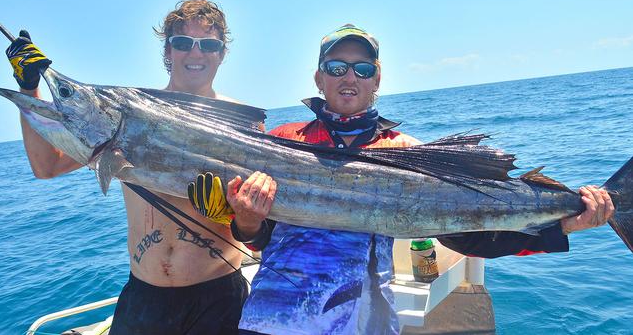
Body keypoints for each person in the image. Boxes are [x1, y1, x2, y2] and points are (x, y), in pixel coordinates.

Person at [203, 24, 614, 334]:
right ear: (319, 78)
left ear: (377, 80)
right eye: (337, 67)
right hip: (272, 319)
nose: (350, 77)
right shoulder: (281, 141)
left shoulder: (404, 149)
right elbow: (257, 236)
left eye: (362, 69)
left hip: (364, 322)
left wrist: (564, 223)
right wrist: (249, 220)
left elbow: (466, 236)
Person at [6, 0, 248, 335]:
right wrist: (29, 87)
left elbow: (255, 220)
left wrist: (231, 211)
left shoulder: (240, 121)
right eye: (183, 43)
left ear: (221, 53)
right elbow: (46, 166)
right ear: (168, 51)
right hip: (144, 296)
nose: (196, 54)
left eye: (208, 45)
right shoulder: (125, 117)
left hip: (218, 296)